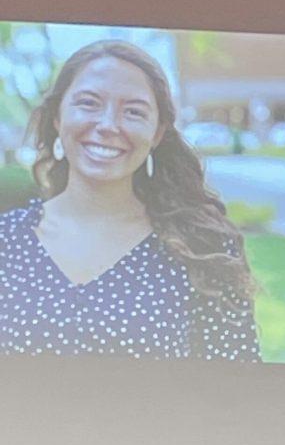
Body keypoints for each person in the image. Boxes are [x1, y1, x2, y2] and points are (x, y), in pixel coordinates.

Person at [0, 39, 259, 361]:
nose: (108, 125)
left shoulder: (205, 247)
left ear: (158, 133)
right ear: (57, 117)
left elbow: (237, 393)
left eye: (133, 111)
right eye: (89, 103)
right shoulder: (5, 240)